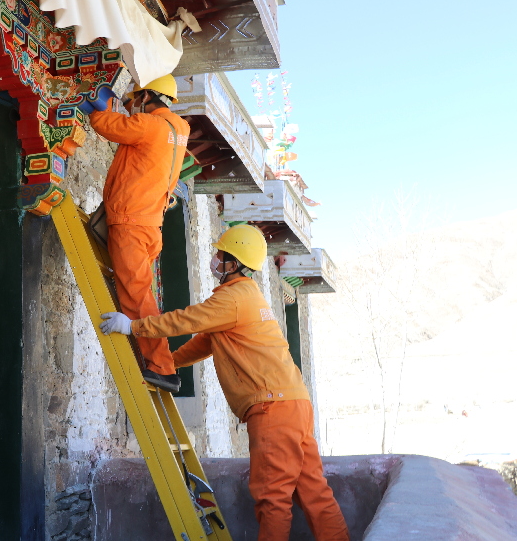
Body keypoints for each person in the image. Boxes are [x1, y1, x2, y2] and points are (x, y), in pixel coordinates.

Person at [99, 225, 349, 541]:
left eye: (220, 254)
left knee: (272, 497)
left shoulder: (232, 298)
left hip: (272, 407)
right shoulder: (247, 296)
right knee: (313, 490)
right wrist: (167, 363)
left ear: (232, 264)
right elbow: (205, 342)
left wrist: (133, 325)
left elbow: (185, 320)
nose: (214, 259)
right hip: (295, 404)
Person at [89, 74, 189, 393]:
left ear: (147, 98)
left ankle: (161, 367)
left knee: (136, 295)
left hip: (131, 221)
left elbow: (107, 125)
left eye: (134, 102)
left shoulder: (149, 125)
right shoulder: (179, 129)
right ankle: (155, 360)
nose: (133, 108)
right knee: (139, 292)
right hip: (149, 224)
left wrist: (93, 102)